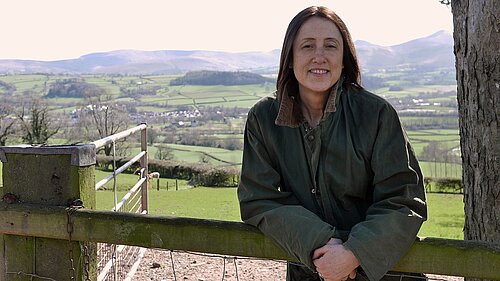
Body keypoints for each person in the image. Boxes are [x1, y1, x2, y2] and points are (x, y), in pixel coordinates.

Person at [237, 6, 427, 281]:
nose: (319, 56)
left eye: (330, 46)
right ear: (290, 57)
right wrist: (321, 244)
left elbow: (404, 200)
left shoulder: (376, 115)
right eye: (307, 46)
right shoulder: (263, 119)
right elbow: (259, 198)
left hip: (386, 275)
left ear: (343, 58)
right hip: (311, 272)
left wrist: (354, 253)